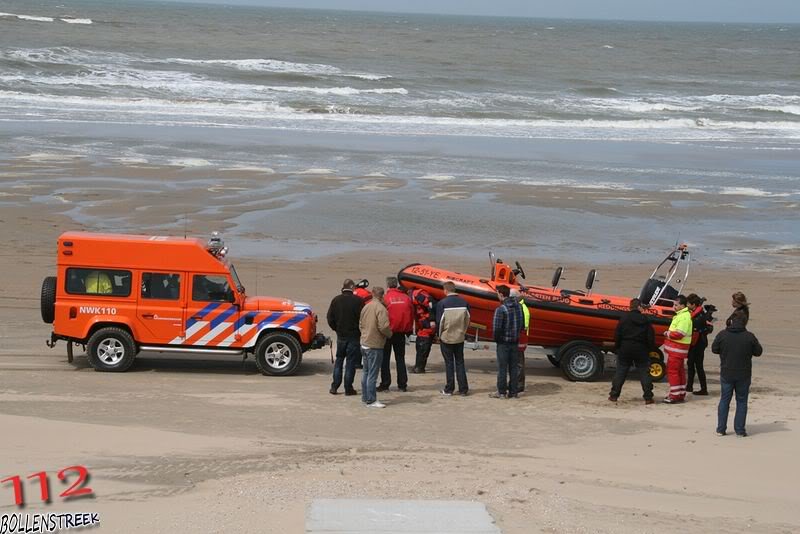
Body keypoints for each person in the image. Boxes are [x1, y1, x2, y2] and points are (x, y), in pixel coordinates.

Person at [712, 315, 763, 437]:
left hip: (727, 372)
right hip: (743, 373)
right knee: (741, 401)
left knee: (725, 400)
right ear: (744, 323)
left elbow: (714, 349)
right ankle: (739, 430)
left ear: (730, 322)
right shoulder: (749, 336)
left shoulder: (723, 334)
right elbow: (758, 352)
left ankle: (720, 429)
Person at [609, 298, 655, 404]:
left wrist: (618, 347)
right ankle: (648, 397)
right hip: (641, 348)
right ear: (639, 307)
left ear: (630, 307)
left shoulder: (624, 318)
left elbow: (617, 335)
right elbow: (650, 337)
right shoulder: (646, 319)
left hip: (626, 347)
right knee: (644, 373)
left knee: (621, 372)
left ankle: (614, 395)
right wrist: (649, 349)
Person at [326, 279, 363, 396]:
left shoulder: (336, 300)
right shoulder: (358, 301)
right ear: (352, 287)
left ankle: (335, 386)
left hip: (341, 335)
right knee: (350, 362)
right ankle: (348, 387)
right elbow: (363, 318)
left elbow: (330, 318)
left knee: (339, 360)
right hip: (353, 335)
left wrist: (336, 329)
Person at [378, 277, 414, 392]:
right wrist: (409, 330)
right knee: (400, 359)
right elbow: (411, 314)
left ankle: (385, 383)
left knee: (385, 359)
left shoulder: (385, 298)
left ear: (388, 286)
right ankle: (402, 384)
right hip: (401, 333)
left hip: (388, 333)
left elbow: (381, 317)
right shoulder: (406, 298)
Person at [435, 281, 470, 396]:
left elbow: (440, 322)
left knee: (449, 363)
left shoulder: (442, 303)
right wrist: (463, 332)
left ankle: (449, 389)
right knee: (460, 362)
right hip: (459, 336)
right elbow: (468, 319)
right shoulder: (464, 302)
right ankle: (463, 389)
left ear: (445, 290)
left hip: (447, 337)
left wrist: (439, 336)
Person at [359, 286, 392, 408]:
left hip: (365, 342)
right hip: (374, 344)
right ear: (382, 295)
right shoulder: (380, 308)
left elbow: (361, 324)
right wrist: (389, 334)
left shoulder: (366, 306)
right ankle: (371, 400)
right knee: (372, 373)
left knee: (366, 372)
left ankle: (365, 397)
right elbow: (384, 326)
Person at [490, 285, 523, 399]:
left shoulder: (501, 309)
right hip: (515, 341)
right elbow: (521, 325)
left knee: (502, 368)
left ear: (501, 294)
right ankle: (514, 392)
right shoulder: (519, 307)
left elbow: (496, 328)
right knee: (513, 368)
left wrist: (497, 339)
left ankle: (502, 392)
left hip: (504, 343)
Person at [662, 295, 693, 404]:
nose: (674, 307)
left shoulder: (684, 317)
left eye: (676, 305)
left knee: (673, 372)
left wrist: (668, 333)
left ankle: (674, 395)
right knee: (679, 372)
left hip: (677, 350)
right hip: (677, 350)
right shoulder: (682, 316)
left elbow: (679, 334)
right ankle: (680, 393)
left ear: (682, 305)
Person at [686, 293, 712, 395]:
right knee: (692, 364)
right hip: (700, 342)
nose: (687, 305)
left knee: (696, 365)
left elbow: (695, 333)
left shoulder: (697, 317)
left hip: (697, 344)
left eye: (688, 303)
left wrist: (690, 345)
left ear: (693, 305)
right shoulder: (700, 314)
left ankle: (702, 388)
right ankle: (690, 386)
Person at [410, 288, 436, 373]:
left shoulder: (418, 295)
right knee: (420, 346)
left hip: (427, 325)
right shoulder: (414, 297)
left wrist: (432, 320)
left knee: (423, 346)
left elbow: (431, 304)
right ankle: (419, 366)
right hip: (422, 325)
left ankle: (419, 367)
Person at [510, 289, 530, 393]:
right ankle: (517, 384)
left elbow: (522, 325)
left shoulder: (520, 308)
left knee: (518, 363)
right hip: (521, 338)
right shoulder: (522, 307)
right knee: (518, 363)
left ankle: (518, 385)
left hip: (519, 339)